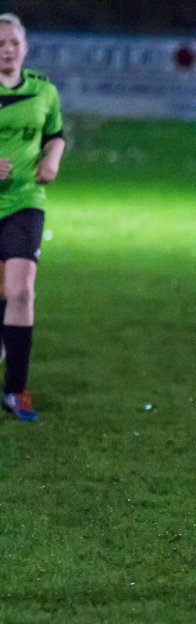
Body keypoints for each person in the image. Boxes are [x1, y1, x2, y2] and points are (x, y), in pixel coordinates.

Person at [0, 13, 65, 421]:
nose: (7, 49)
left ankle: (16, 390)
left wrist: (53, 157)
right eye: (0, 43)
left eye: (13, 42)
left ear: (25, 46)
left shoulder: (44, 90)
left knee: (21, 292)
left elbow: (55, 133)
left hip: (26, 201)